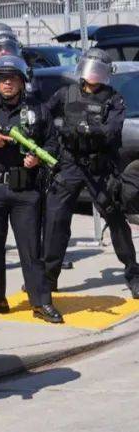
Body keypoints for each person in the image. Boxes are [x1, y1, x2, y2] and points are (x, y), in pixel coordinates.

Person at [0, 56, 63, 323]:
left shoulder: (39, 110)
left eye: (12, 78)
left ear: (23, 81)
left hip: (26, 190)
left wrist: (38, 159)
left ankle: (41, 301)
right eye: (2, 78)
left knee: (31, 249)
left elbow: (53, 145)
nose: (7, 82)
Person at [42, 48, 139, 298]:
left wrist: (88, 130)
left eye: (98, 70)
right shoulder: (65, 93)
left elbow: (111, 131)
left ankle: (133, 273)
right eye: (90, 69)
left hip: (98, 167)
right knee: (56, 220)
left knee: (116, 220)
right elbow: (43, 117)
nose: (93, 75)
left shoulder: (113, 99)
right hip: (70, 163)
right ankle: (48, 278)